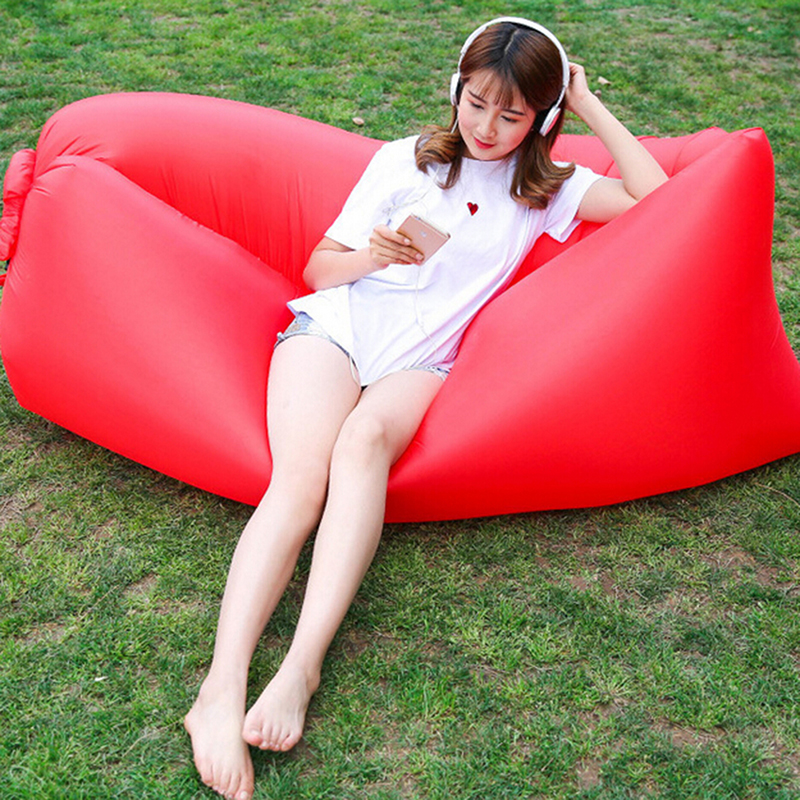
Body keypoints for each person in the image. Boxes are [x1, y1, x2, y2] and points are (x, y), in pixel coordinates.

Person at [184, 16, 668, 800]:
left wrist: (585, 103)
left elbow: (661, 201)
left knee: (364, 442)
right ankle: (220, 689)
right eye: (475, 102)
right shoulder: (406, 160)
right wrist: (372, 254)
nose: (486, 127)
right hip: (338, 329)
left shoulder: (549, 189)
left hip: (422, 362)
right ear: (455, 90)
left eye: (512, 114)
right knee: (300, 483)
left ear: (542, 119)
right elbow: (318, 269)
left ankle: (300, 668)